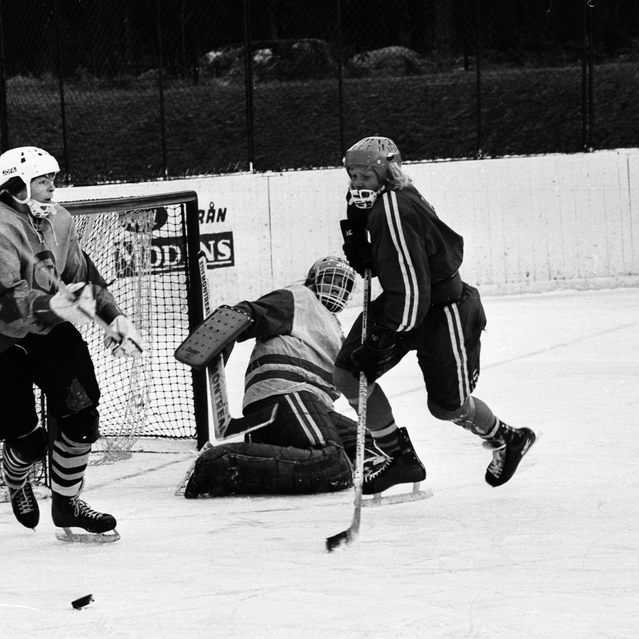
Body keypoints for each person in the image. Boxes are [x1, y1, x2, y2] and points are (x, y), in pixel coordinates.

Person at [0, 145, 145, 541]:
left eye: (52, 180)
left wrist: (115, 317)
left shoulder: (60, 219)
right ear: (16, 186)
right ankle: (16, 479)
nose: (52, 188)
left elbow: (83, 275)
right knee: (29, 438)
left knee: (81, 416)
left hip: (47, 327)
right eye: (42, 181)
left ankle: (67, 503)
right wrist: (54, 304)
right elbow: (6, 303)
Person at [334, 135, 536, 495]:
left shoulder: (394, 207)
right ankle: (399, 457)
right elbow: (400, 269)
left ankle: (508, 438)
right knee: (348, 375)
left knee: (446, 407)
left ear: (386, 173)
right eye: (352, 175)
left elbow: (414, 287)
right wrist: (361, 246)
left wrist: (382, 338)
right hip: (406, 305)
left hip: (442, 312)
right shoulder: (376, 201)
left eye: (364, 176)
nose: (356, 184)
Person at [183, 256, 377, 498]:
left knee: (372, 449)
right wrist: (220, 334)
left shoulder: (335, 328)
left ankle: (262, 448)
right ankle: (222, 463)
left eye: (343, 285)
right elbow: (252, 313)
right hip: (286, 391)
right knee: (331, 464)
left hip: (312, 403)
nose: (336, 288)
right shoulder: (299, 298)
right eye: (331, 280)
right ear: (314, 280)